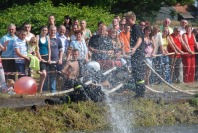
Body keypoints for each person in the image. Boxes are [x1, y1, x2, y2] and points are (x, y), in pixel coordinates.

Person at [125, 11, 145, 98]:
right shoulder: (133, 28)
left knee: (138, 74)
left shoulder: (136, 27)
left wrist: (134, 48)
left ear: (132, 19)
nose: (126, 21)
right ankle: (139, 92)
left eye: (127, 20)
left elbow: (140, 39)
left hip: (138, 55)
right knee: (136, 74)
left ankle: (141, 94)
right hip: (135, 55)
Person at [48, 25, 63, 93]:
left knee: (54, 75)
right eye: (51, 30)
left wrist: (60, 59)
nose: (53, 32)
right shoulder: (46, 38)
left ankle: (53, 90)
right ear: (49, 30)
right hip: (46, 60)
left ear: (56, 31)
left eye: (54, 30)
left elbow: (61, 50)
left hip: (55, 59)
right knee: (46, 75)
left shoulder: (58, 39)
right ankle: (45, 90)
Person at [36, 26, 51, 93]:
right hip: (40, 57)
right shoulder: (38, 37)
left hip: (46, 56)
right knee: (43, 74)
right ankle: (40, 89)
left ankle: (40, 89)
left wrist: (49, 58)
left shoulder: (47, 38)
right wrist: (40, 58)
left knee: (44, 75)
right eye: (43, 30)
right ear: (41, 30)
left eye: (46, 30)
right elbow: (36, 48)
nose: (44, 31)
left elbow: (49, 49)